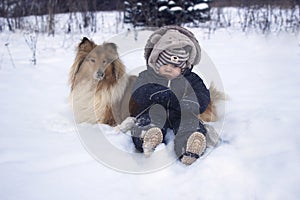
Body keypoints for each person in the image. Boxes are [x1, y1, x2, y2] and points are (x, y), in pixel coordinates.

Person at [129, 26, 210, 165]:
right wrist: (161, 95)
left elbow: (202, 95)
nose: (168, 68)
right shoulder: (147, 76)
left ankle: (191, 145)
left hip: (181, 113)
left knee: (191, 123)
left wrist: (190, 103)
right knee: (145, 120)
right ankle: (148, 137)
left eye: (175, 66)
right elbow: (138, 92)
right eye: (164, 63)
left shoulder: (191, 79)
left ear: (184, 67)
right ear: (155, 61)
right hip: (153, 110)